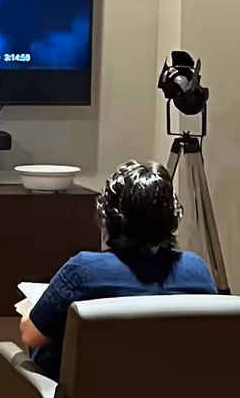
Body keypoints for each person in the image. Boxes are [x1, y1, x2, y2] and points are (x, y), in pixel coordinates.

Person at [16, 159, 217, 381]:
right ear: (171, 217)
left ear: (110, 218)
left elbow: (31, 334)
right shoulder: (197, 270)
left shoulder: (82, 270)